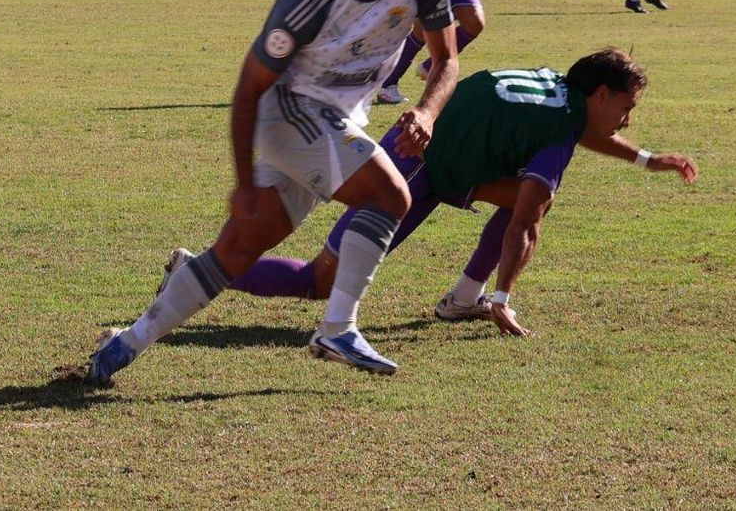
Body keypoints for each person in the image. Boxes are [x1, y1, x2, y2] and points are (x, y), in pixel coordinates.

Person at [87, 0, 460, 386]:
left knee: (236, 252)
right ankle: (338, 328)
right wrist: (244, 183)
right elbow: (248, 90)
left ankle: (124, 344)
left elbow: (447, 59)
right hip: (288, 114)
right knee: (390, 195)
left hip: (338, 119)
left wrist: (428, 112)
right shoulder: (309, 0)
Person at [194, 48, 696, 338]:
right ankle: (199, 270)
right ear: (601, 94)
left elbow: (584, 131)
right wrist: (505, 298)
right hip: (418, 165)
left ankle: (462, 298)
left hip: (434, 149)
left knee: (524, 196)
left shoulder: (559, 91)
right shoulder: (560, 128)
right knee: (319, 280)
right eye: (627, 107)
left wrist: (646, 159)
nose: (628, 120)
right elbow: (526, 224)